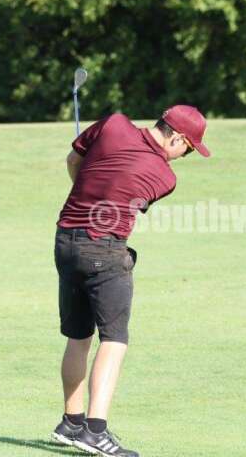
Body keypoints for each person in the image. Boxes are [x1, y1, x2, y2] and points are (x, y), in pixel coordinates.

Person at [51, 105, 211, 457]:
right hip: (104, 251)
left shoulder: (112, 124)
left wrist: (90, 183)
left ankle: (71, 422)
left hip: (65, 241)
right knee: (114, 339)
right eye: (188, 148)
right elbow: (131, 199)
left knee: (78, 335)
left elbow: (73, 163)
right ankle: (95, 430)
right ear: (177, 138)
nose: (184, 156)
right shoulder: (165, 178)